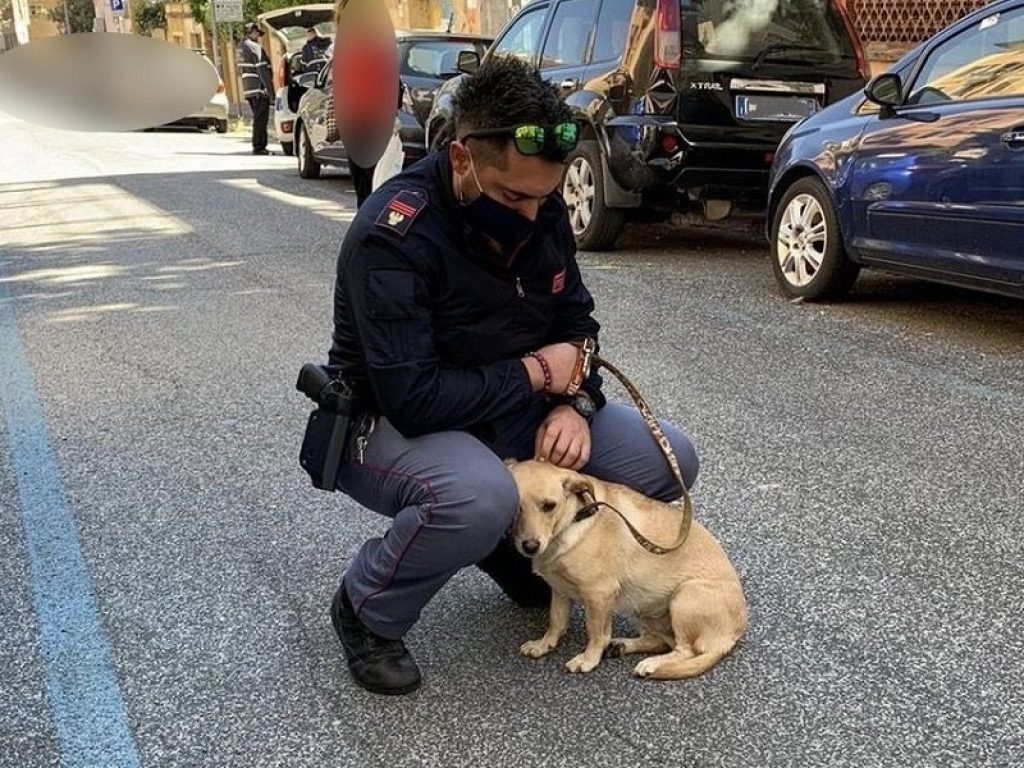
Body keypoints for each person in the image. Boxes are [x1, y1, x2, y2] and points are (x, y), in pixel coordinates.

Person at [320, 55, 700, 696]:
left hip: (518, 408)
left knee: (669, 458)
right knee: (477, 496)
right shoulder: (394, 237)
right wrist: (535, 372)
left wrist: (576, 404)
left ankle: (512, 545)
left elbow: (578, 325)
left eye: (544, 197)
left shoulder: (537, 205)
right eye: (513, 197)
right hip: (390, 422)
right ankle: (368, 608)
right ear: (462, 158)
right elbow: (413, 398)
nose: (531, 214)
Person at [236, 22, 274, 155]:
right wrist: (271, 93)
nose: (258, 36)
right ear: (252, 32)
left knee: (258, 118)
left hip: (249, 89)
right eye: (257, 33)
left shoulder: (240, 47)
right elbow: (262, 70)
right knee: (261, 120)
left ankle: (259, 145)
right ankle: (259, 147)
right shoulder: (254, 47)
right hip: (259, 88)